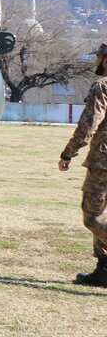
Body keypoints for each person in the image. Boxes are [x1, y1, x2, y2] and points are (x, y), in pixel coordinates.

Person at [59, 42, 107, 287]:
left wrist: (69, 153)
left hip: (104, 163)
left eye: (99, 56)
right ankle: (104, 270)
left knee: (94, 218)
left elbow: (89, 124)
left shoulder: (102, 86)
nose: (97, 60)